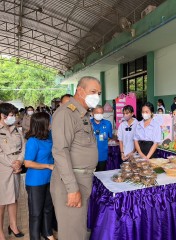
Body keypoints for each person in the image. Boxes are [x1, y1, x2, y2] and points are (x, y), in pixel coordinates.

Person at [50, 76, 100, 240]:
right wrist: (72, 189)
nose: (97, 96)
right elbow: (60, 151)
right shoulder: (67, 113)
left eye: (99, 93)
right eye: (93, 92)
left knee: (78, 229)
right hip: (71, 182)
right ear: (80, 90)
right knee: (72, 234)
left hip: (83, 178)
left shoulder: (83, 114)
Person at [24, 112, 55, 240]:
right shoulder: (32, 141)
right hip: (35, 182)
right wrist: (48, 166)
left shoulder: (48, 137)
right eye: (49, 122)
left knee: (48, 209)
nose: (51, 124)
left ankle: (48, 234)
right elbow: (28, 163)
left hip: (49, 179)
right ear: (43, 124)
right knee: (36, 213)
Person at [0, 103, 25, 239]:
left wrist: (19, 161)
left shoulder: (16, 129)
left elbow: (23, 146)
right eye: (11, 115)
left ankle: (13, 225)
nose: (13, 117)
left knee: (13, 198)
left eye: (14, 115)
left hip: (16, 167)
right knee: (2, 201)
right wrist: (13, 164)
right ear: (2, 116)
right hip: (3, 169)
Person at [90, 105, 113, 171]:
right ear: (92, 113)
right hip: (90, 155)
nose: (99, 114)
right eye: (97, 112)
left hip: (102, 155)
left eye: (101, 113)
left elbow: (109, 137)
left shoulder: (107, 124)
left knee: (101, 175)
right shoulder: (88, 124)